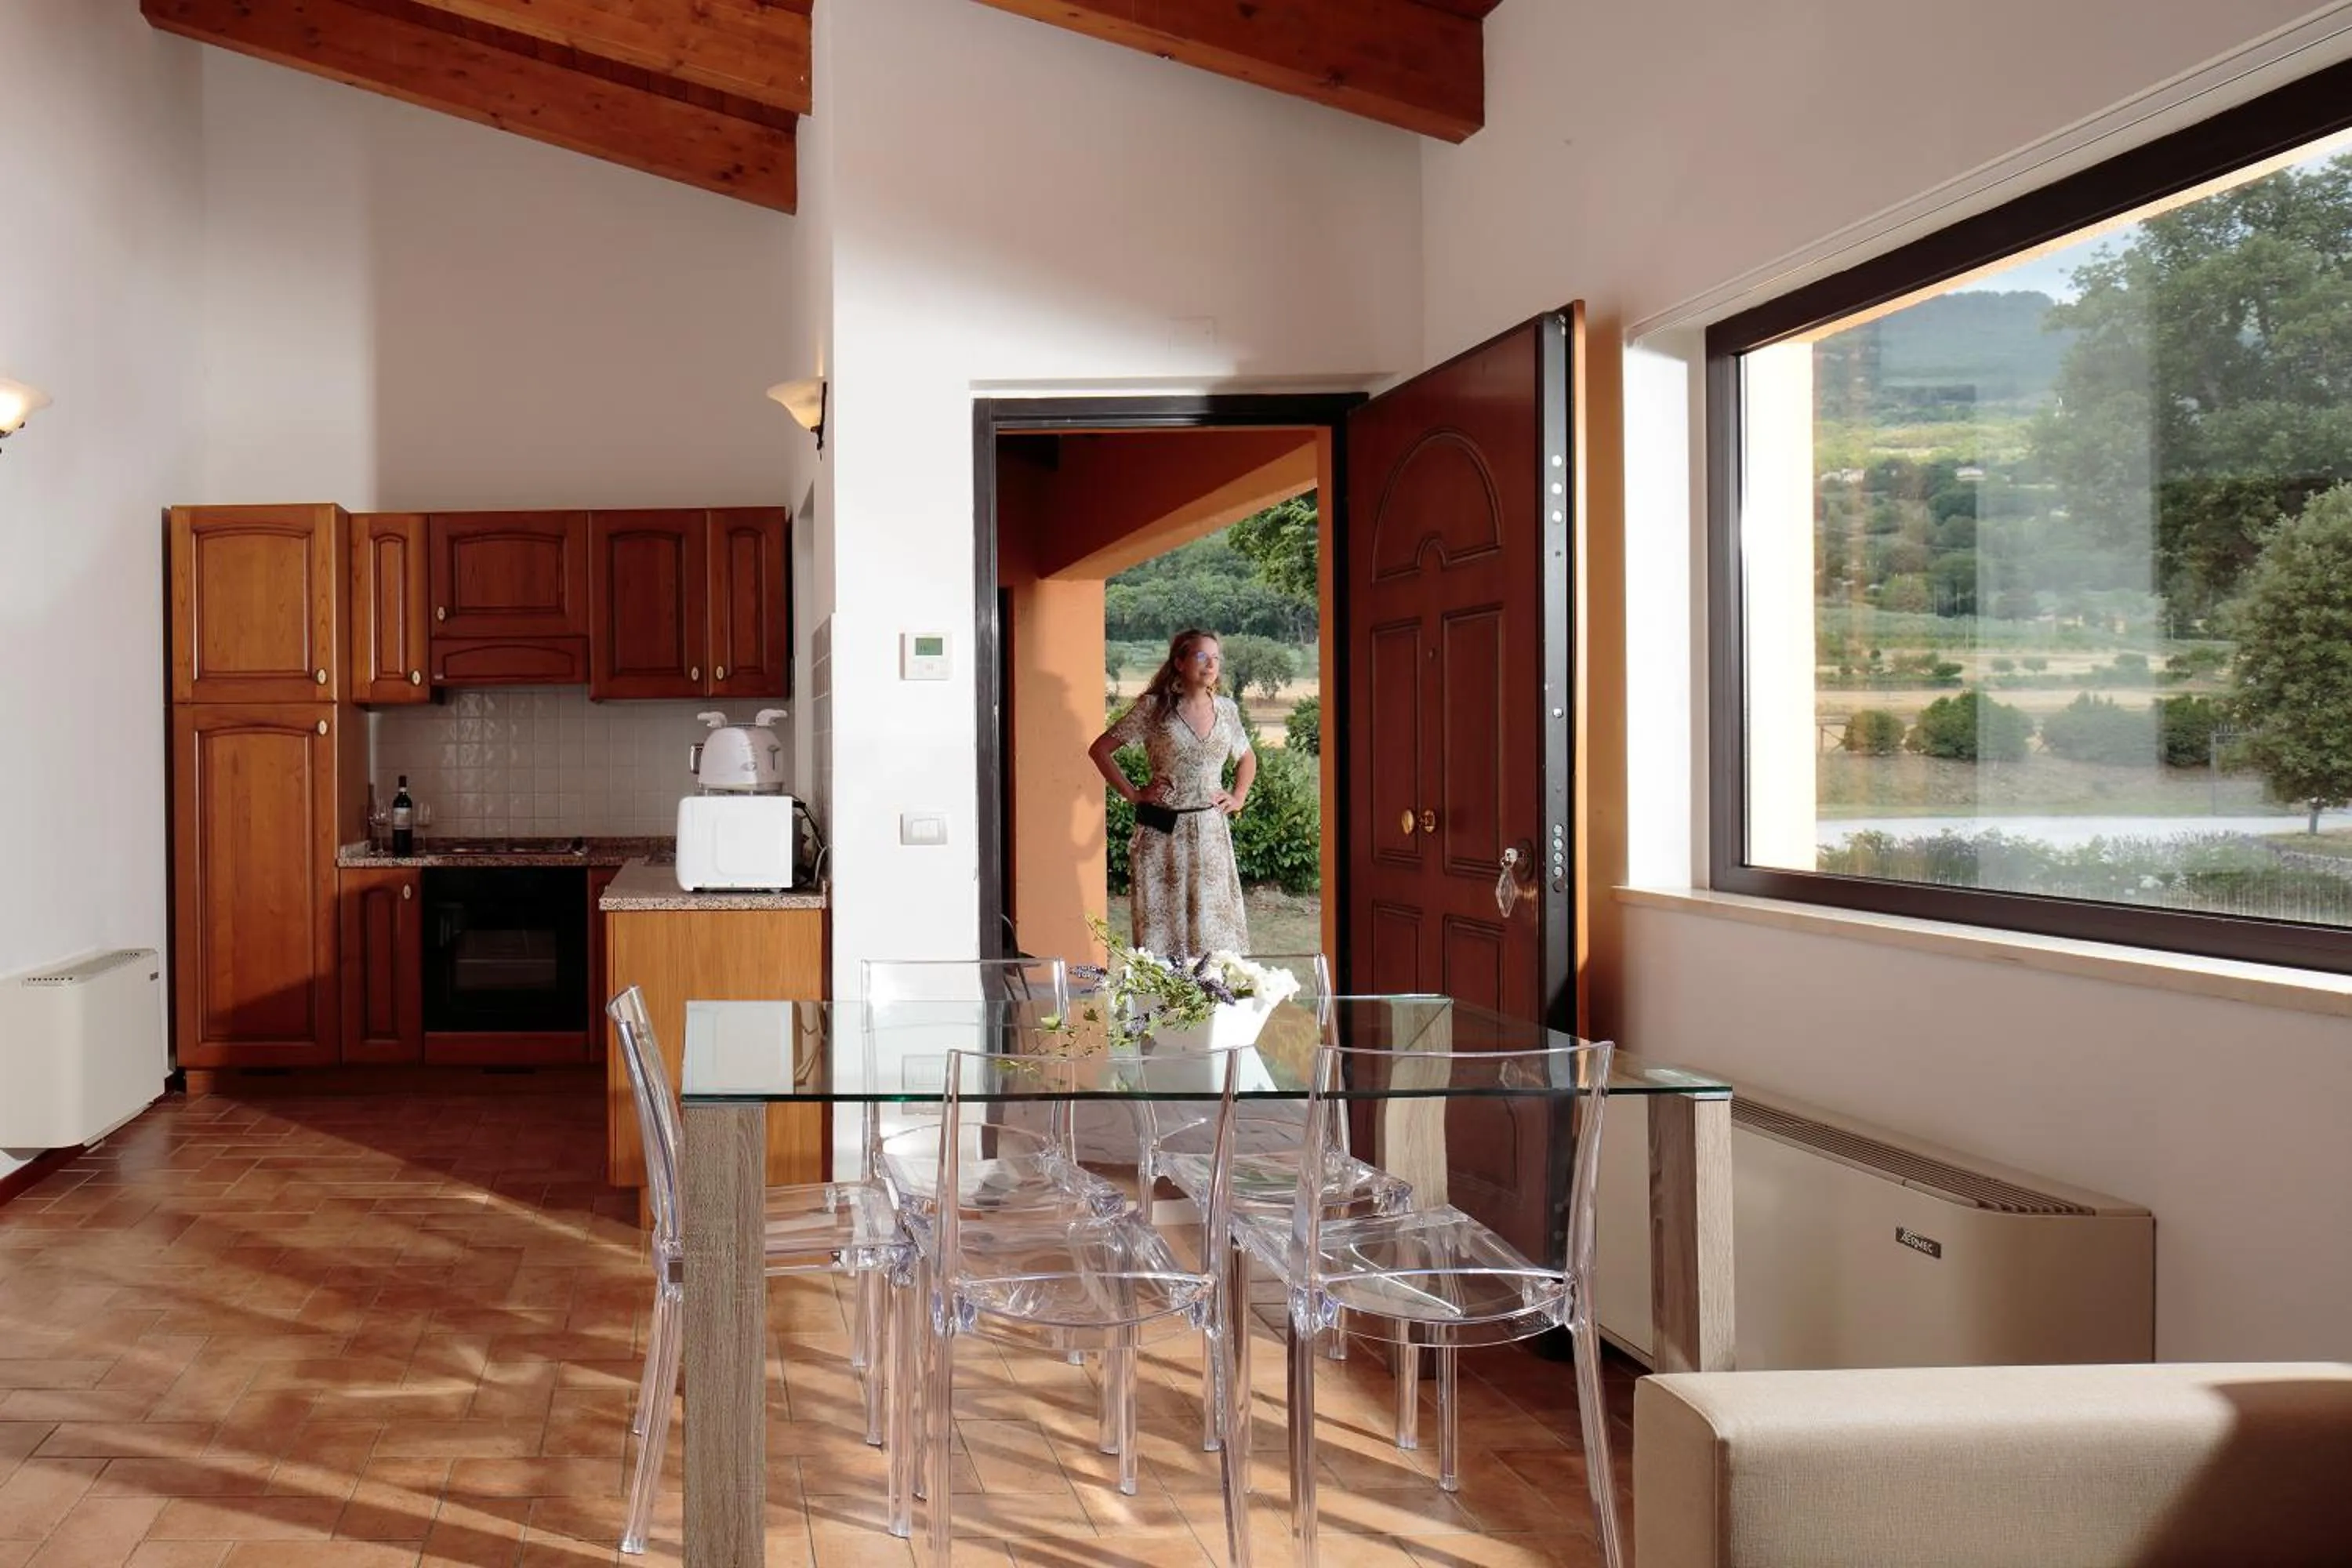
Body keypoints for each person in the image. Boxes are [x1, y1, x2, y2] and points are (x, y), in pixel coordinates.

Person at [1089, 628, 1256, 958]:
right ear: (1179, 662)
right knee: (1163, 936)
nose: (1211, 664)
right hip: (1161, 834)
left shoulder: (1227, 710)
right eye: (1200, 656)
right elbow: (1100, 750)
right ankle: (1163, 1007)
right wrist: (1134, 794)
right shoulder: (1153, 708)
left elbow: (1247, 757)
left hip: (1210, 833)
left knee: (1212, 934)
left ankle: (1212, 1001)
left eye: (1216, 658)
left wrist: (1238, 796)